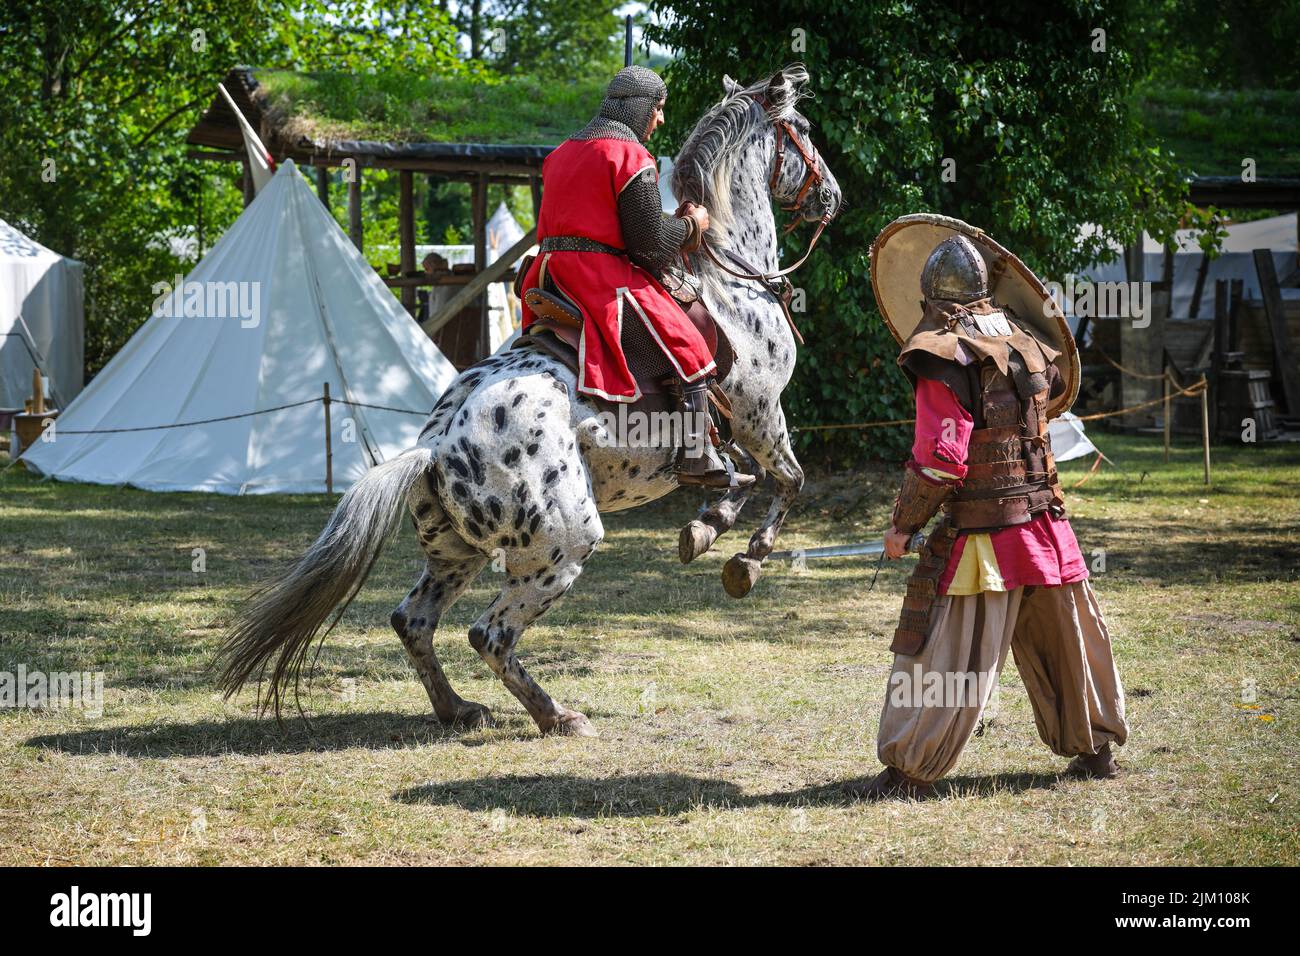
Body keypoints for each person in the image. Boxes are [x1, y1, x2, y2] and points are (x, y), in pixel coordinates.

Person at [850, 230, 1128, 800]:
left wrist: (904, 524)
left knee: (946, 653)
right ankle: (1096, 748)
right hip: (1046, 526)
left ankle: (910, 768)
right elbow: (1047, 403)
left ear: (929, 298)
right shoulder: (1027, 341)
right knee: (1071, 642)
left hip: (984, 538)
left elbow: (940, 460)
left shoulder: (941, 355)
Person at [518, 65, 753, 489]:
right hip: (599, 278)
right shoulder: (628, 156)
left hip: (550, 276)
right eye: (658, 108)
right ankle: (698, 455)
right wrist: (693, 225)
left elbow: (606, 221)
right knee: (690, 346)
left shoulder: (561, 153)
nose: (660, 119)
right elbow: (649, 244)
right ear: (638, 106)